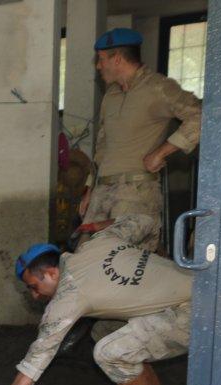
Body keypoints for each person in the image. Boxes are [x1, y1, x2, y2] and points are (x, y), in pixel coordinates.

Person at [0, 218, 193, 385]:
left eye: (34, 287)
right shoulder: (98, 241)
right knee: (104, 329)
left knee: (109, 352)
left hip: (199, 313)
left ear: (52, 273)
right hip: (204, 282)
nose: (35, 296)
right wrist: (148, 256)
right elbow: (148, 221)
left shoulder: (69, 294)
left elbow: (38, 356)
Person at [78, 27, 202, 251]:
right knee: (84, 258)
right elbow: (102, 146)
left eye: (101, 60)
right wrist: (90, 188)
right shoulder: (111, 95)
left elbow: (200, 116)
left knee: (122, 263)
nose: (98, 66)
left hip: (135, 193)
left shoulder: (159, 87)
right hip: (101, 192)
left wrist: (161, 153)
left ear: (117, 59)